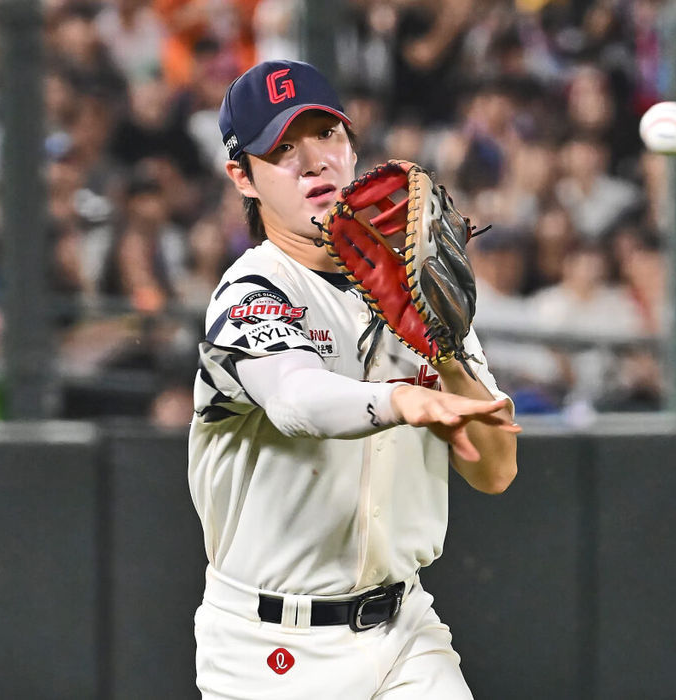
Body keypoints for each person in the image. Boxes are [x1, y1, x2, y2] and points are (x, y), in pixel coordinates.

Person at [188, 59, 520, 699]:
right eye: (282, 149)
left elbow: (497, 470)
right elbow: (295, 398)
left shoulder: (416, 285)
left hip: (404, 633)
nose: (314, 162)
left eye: (328, 136)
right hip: (270, 649)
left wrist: (448, 358)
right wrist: (400, 398)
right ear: (242, 176)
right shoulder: (253, 289)